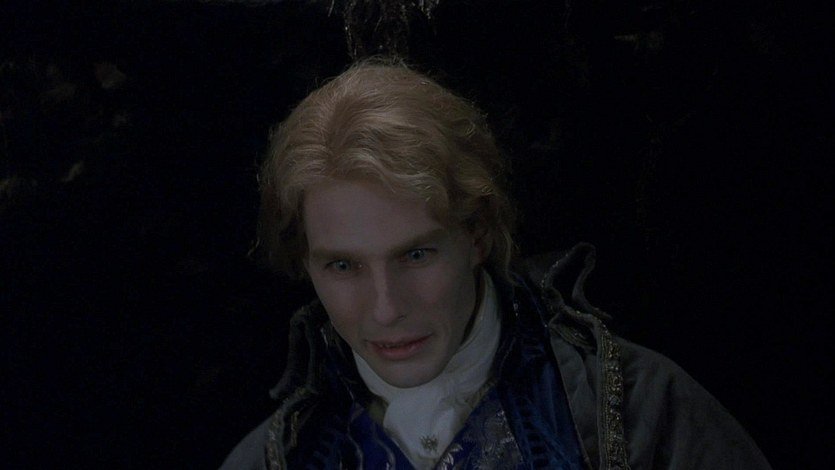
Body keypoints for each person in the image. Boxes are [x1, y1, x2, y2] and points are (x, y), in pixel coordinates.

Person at [220, 60, 771, 470]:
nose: (385, 309)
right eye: (343, 266)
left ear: (477, 234)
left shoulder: (645, 415)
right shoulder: (272, 459)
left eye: (416, 255)